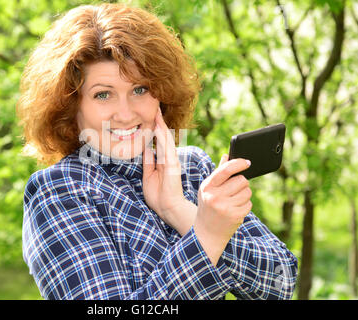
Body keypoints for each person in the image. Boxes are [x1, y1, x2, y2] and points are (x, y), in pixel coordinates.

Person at [17, 2, 298, 300]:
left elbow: (280, 284)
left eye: (139, 89)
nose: (125, 114)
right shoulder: (59, 190)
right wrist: (207, 235)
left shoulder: (192, 169)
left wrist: (178, 209)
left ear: (162, 94)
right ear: (70, 106)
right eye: (103, 95)